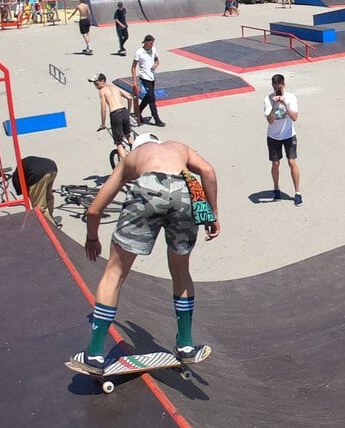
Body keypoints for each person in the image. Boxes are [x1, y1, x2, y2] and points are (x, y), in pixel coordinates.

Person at [76, 134, 220, 373]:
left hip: (148, 191)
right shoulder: (179, 147)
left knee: (114, 273)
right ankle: (185, 344)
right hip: (184, 193)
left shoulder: (132, 158)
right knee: (181, 271)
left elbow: (94, 210)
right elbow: (208, 171)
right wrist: (213, 214)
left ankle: (94, 353)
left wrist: (92, 238)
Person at [264, 73, 301, 204]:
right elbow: (270, 120)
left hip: (289, 135)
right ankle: (276, 188)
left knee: (292, 162)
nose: (277, 90)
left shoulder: (291, 98)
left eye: (279, 88)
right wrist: (275, 105)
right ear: (272, 86)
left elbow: (294, 117)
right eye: (275, 88)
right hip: (273, 136)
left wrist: (284, 103)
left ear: (284, 85)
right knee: (275, 163)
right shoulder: (268, 99)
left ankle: (297, 192)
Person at [94, 72, 135, 165]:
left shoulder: (102, 91)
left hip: (115, 114)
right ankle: (135, 153)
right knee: (128, 135)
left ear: (103, 81)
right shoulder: (115, 87)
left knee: (118, 142)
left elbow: (104, 108)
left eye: (97, 84)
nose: (96, 87)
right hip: (124, 111)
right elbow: (129, 98)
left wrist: (103, 124)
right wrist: (128, 112)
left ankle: (126, 166)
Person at [132, 34, 165, 127]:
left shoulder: (154, 49)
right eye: (150, 43)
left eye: (152, 43)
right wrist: (134, 81)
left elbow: (157, 60)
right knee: (152, 98)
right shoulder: (139, 52)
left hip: (152, 76)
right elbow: (133, 67)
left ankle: (138, 111)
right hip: (144, 77)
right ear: (146, 42)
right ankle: (157, 119)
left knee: (148, 96)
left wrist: (156, 64)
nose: (152, 45)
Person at [18, 154, 59, 226]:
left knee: (40, 208)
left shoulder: (17, 176)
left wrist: (31, 195)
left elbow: (22, 189)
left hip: (37, 174)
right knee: (48, 196)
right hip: (52, 168)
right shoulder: (24, 164)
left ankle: (50, 227)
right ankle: (50, 217)